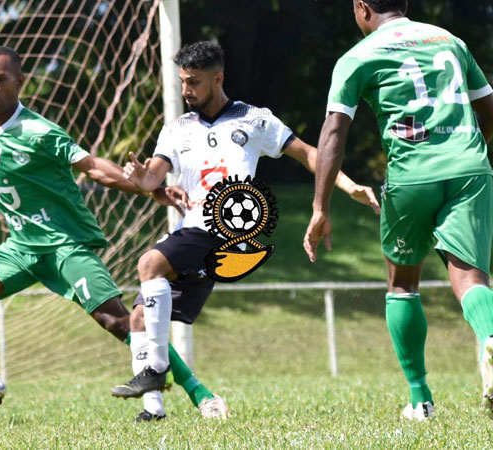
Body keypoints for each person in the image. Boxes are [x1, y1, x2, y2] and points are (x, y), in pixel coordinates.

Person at [0, 45, 224, 422]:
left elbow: (94, 167)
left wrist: (151, 189)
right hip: (20, 248)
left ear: (19, 82)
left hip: (64, 247)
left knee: (121, 323)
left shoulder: (40, 132)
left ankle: (201, 394)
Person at [112, 41, 380, 420]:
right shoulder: (176, 129)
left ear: (218, 79)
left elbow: (308, 153)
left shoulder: (254, 120)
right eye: (183, 81)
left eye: (194, 82)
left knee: (149, 264)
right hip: (192, 232)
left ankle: (155, 370)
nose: (186, 90)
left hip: (224, 229)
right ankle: (153, 411)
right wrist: (142, 180)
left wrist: (348, 186)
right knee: (141, 316)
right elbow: (152, 177)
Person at [304, 0, 493, 421]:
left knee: (403, 282)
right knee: (471, 277)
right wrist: (462, 152)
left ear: (362, 8)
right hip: (470, 168)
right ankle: (491, 337)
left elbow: (334, 131)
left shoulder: (358, 56)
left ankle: (420, 399)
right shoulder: (449, 40)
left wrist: (320, 207)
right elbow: (489, 112)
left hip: (412, 175)